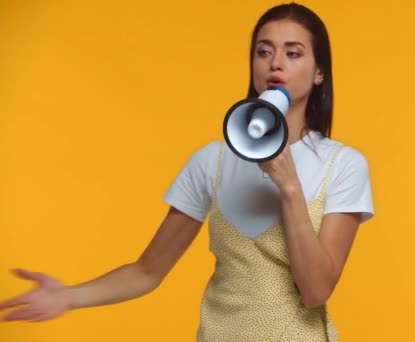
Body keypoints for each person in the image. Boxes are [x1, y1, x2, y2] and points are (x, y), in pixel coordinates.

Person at [0, 3, 374, 341]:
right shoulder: (212, 161)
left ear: (319, 72)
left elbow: (316, 291)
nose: (275, 63)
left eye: (293, 53)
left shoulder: (343, 165)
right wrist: (67, 296)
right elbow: (148, 271)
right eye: (263, 51)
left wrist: (289, 187)